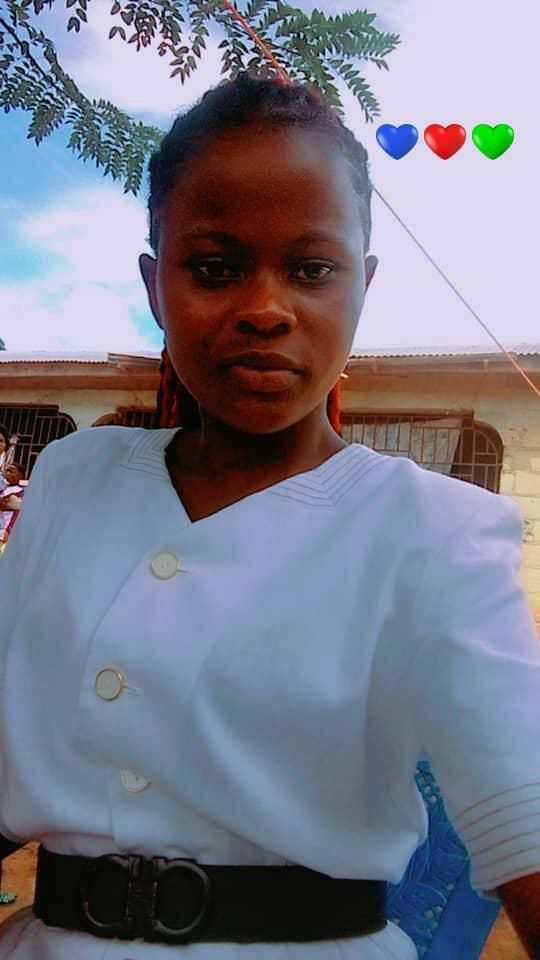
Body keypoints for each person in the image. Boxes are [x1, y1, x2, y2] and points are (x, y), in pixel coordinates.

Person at [0, 70, 539, 960]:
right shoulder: (73, 479)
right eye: (214, 268)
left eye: (311, 269)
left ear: (362, 286)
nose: (264, 309)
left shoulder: (434, 531)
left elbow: (522, 820)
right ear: (155, 285)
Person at [0, 464, 26, 554]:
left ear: (20, 475)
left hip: (7, 529)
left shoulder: (19, 490)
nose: (8, 473)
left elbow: (13, 505)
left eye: (12, 471)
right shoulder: (4, 489)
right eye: (6, 471)